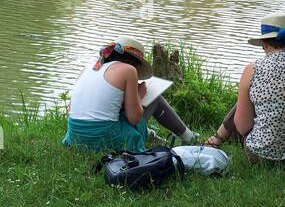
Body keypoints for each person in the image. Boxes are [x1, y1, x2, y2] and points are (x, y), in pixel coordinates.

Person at [204, 13, 285, 162]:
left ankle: (217, 139)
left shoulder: (253, 70)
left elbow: (242, 127)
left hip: (265, 156)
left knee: (250, 101)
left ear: (265, 43)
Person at [62, 37, 199, 152]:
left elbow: (71, 110)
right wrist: (140, 95)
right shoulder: (128, 70)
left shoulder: (90, 66)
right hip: (103, 137)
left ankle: (155, 134)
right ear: (135, 63)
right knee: (154, 98)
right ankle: (189, 138)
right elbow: (134, 118)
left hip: (75, 136)